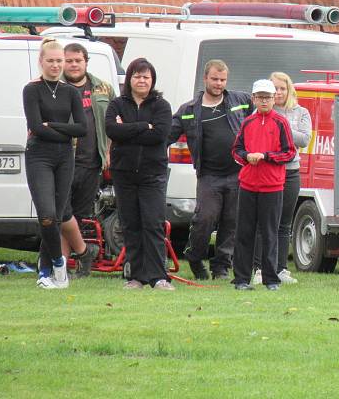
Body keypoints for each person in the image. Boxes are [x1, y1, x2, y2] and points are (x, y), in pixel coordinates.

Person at [168, 59, 253, 280]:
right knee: (205, 218)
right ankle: (195, 258)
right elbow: (166, 134)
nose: (218, 84)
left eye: (223, 80)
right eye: (214, 79)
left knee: (231, 222)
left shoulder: (241, 101)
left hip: (237, 173)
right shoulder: (188, 110)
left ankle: (221, 267)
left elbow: (259, 122)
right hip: (209, 175)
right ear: (205, 78)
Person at [22, 38, 87, 289]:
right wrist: (63, 130)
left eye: (59, 60)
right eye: (51, 60)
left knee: (58, 216)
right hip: (39, 155)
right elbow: (36, 128)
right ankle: (58, 263)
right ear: (41, 61)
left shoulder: (70, 92)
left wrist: (56, 127)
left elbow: (82, 128)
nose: (56, 65)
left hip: (64, 157)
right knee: (47, 215)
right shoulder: (32, 89)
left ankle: (47, 271)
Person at [105, 58, 174, 290]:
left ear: (152, 79)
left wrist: (128, 129)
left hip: (152, 173)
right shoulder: (116, 104)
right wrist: (144, 126)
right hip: (124, 173)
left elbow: (160, 135)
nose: (141, 80)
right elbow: (112, 130)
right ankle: (137, 276)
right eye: (137, 76)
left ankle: (158, 277)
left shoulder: (161, 106)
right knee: (130, 224)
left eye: (146, 76)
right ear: (130, 79)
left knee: (153, 223)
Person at [231, 79, 296, 291]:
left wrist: (266, 156)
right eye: (260, 97)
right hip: (248, 184)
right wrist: (246, 156)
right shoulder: (247, 123)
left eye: (268, 97)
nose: (264, 101)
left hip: (272, 186)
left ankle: (271, 279)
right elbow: (236, 150)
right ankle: (241, 278)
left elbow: (289, 152)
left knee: (269, 233)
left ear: (274, 99)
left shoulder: (280, 122)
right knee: (244, 232)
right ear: (253, 99)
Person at [59, 43, 114, 277]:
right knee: (61, 213)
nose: (73, 65)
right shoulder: (54, 87)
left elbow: (113, 123)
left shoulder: (103, 88)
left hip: (92, 163)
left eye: (77, 60)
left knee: (80, 216)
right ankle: (63, 261)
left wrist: (109, 152)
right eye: (68, 61)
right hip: (62, 161)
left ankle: (76, 265)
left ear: (86, 62)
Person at [252, 72, 311, 286]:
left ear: (289, 90)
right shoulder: (261, 111)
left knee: (284, 223)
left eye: (282, 88)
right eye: (274, 89)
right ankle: (259, 269)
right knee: (265, 221)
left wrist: (281, 126)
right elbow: (259, 136)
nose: (277, 93)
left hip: (291, 171)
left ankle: (281, 268)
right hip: (268, 170)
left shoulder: (301, 112)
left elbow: (304, 139)